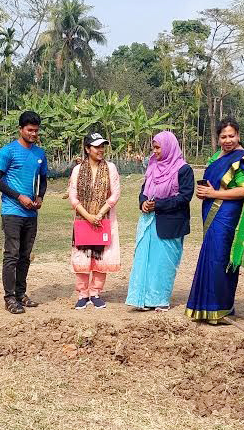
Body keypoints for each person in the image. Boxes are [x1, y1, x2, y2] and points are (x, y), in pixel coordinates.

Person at [185, 118, 244, 323]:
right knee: (210, 257)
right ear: (218, 138)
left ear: (239, 136)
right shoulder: (217, 157)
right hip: (211, 210)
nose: (228, 140)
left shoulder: (240, 159)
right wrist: (205, 193)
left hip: (227, 215)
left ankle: (221, 308)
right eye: (223, 136)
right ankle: (205, 308)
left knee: (220, 258)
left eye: (231, 136)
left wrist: (214, 192)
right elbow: (212, 187)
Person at [126, 131, 194, 312]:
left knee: (163, 263)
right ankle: (142, 299)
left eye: (158, 147)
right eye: (153, 148)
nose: (154, 151)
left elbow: (185, 197)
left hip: (170, 223)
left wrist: (158, 204)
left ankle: (160, 299)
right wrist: (143, 203)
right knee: (144, 260)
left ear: (168, 147)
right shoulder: (152, 165)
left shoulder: (183, 169)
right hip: (148, 220)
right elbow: (144, 189)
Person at [0, 110, 48, 314]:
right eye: (30, 130)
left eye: (36, 131)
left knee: (25, 255)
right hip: (12, 211)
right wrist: (19, 197)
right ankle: (9, 298)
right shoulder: (8, 151)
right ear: (21, 129)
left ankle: (20, 294)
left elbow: (43, 180)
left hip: (31, 214)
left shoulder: (40, 154)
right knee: (12, 255)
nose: (33, 134)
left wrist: (40, 197)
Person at [68, 132, 121, 309]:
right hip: (83, 220)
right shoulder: (77, 170)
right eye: (96, 146)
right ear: (87, 149)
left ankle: (95, 292)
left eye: (102, 146)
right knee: (83, 257)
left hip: (103, 219)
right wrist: (88, 215)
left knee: (101, 256)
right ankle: (82, 294)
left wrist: (99, 214)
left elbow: (115, 194)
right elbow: (73, 196)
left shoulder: (110, 168)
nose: (100, 150)